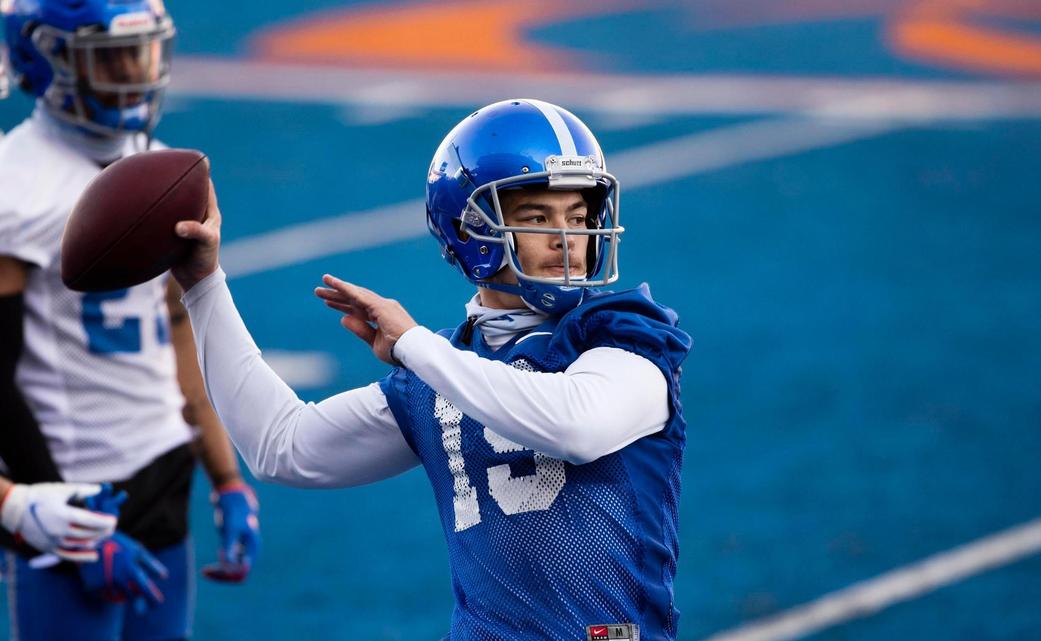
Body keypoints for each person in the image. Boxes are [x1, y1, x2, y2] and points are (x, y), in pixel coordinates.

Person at [173, 98, 693, 639]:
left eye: (580, 217)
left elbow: (576, 426)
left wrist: (416, 347)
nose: (569, 240)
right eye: (539, 217)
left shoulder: (625, 335)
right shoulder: (439, 368)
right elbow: (283, 447)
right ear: (469, 231)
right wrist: (204, 287)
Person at [0, 0, 260, 639]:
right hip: (71, 477)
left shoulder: (164, 168)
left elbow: (180, 332)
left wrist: (226, 477)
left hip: (162, 463)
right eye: (110, 55)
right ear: (45, 61)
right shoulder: (15, 183)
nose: (135, 71)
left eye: (142, 50)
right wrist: (49, 509)